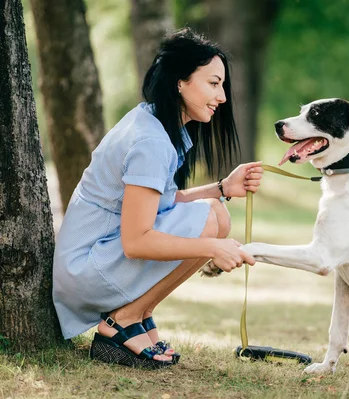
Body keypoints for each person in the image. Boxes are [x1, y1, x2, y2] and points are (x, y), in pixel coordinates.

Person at [53, 28, 262, 369]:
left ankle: (139, 315)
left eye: (221, 85)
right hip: (86, 270)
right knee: (211, 221)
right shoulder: (150, 141)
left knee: (217, 214)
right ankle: (121, 322)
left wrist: (222, 188)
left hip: (97, 259)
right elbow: (136, 242)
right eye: (213, 83)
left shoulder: (152, 124)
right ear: (180, 82)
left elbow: (158, 202)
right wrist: (213, 248)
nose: (222, 96)